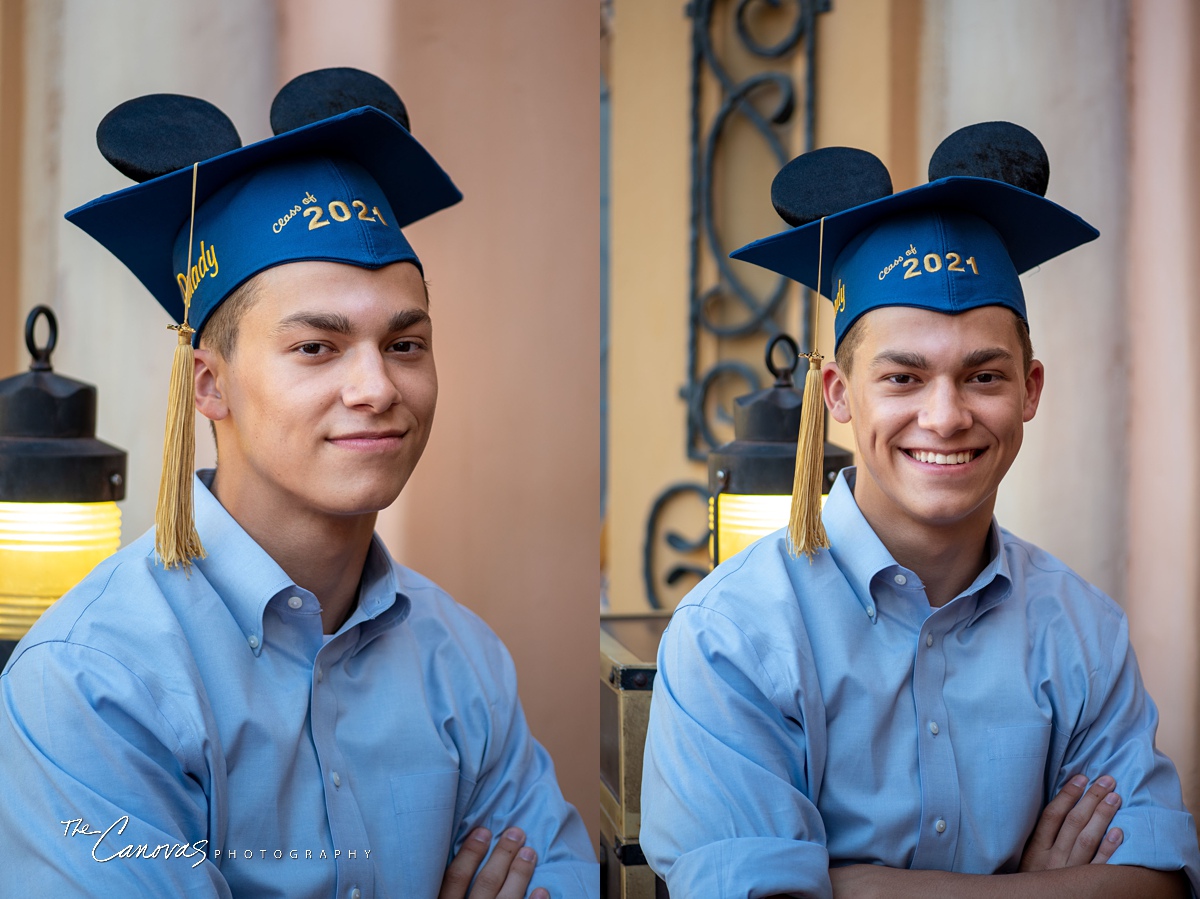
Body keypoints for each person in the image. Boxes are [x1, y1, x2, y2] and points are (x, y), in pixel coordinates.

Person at [0, 69, 596, 899]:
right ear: (210, 384)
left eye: (405, 344)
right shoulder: (94, 681)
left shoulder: (461, 661)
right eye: (317, 347)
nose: (376, 387)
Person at [639, 123, 1200, 898]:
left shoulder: (1083, 632)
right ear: (837, 392)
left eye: (984, 376)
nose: (945, 416)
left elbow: (1158, 885)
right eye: (903, 378)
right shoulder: (731, 638)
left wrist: (859, 886)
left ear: (1031, 389)